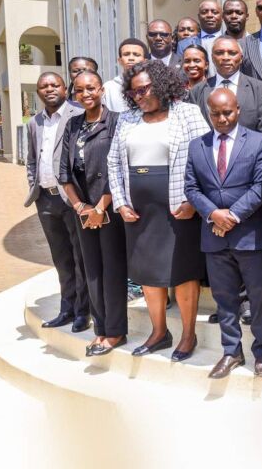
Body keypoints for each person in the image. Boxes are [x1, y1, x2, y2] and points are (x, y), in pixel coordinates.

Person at [107, 60, 210, 361]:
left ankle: (188, 336)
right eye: (134, 92)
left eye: (144, 90)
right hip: (139, 211)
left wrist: (195, 200)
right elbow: (114, 162)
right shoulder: (127, 120)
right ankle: (158, 332)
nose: (139, 96)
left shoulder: (187, 113)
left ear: (162, 85)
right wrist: (120, 202)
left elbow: (204, 155)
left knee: (183, 272)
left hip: (179, 208)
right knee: (149, 274)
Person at [185, 88, 262, 379]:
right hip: (214, 235)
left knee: (258, 300)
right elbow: (191, 188)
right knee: (224, 299)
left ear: (238, 110)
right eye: (215, 113)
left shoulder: (260, 142)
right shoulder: (197, 146)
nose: (222, 118)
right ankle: (231, 352)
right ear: (208, 113)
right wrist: (213, 214)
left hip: (251, 236)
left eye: (227, 112)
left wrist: (232, 215)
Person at [59, 71, 127, 355]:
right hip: (84, 211)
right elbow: (64, 172)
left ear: (101, 90)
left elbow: (120, 168)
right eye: (79, 90)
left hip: (109, 210)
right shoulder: (73, 126)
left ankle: (116, 332)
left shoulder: (116, 122)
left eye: (91, 89)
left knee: (112, 271)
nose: (85, 94)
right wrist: (80, 207)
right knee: (92, 272)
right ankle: (100, 330)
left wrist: (101, 207)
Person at [25, 72, 90, 332]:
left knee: (80, 257)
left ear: (65, 88)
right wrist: (34, 183)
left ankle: (83, 312)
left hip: (71, 198)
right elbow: (31, 158)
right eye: (44, 86)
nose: (50, 89)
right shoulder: (34, 123)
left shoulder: (77, 114)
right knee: (61, 257)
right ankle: (67, 307)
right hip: (45, 199)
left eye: (55, 85)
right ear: (38, 91)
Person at [189, 36, 262, 135]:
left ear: (241, 58)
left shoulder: (260, 90)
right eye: (219, 53)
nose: (226, 57)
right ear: (212, 58)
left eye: (232, 53)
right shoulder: (197, 91)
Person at [176, 0, 224, 76]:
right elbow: (182, 73)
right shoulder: (183, 45)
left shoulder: (233, 42)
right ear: (198, 16)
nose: (209, 15)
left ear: (222, 17)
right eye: (204, 12)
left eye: (214, 12)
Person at [102, 38, 149, 112]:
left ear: (145, 61)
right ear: (120, 61)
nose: (131, 58)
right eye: (126, 54)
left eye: (136, 55)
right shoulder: (108, 88)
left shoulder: (151, 85)